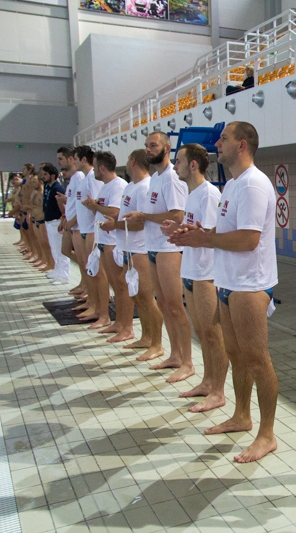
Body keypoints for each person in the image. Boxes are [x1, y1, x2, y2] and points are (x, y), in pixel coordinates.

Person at [170, 122, 279, 462]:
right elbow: (227, 231)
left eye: (224, 138)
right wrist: (201, 232)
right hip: (229, 282)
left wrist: (206, 239)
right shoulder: (232, 185)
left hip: (251, 284)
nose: (218, 143)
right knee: (236, 354)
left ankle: (267, 434)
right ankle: (242, 416)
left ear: (242, 145)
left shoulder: (253, 185)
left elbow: (249, 239)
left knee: (259, 361)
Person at [161, 143, 226, 412]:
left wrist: (184, 234)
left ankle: (219, 390)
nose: (174, 166)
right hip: (190, 269)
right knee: (201, 332)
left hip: (206, 272)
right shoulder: (192, 194)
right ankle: (207, 381)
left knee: (213, 334)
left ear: (194, 165)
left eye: (179, 161)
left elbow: (211, 234)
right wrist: (178, 229)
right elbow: (195, 229)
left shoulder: (209, 194)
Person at [124, 132, 192, 383]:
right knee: (163, 304)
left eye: (153, 145)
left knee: (175, 306)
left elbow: (177, 215)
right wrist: (141, 217)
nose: (149, 150)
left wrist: (143, 216)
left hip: (168, 248)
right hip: (153, 246)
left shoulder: (172, 178)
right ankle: (174, 354)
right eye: (147, 146)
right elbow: (155, 212)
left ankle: (187, 361)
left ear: (167, 147)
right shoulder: (155, 178)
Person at [105, 150, 164, 359]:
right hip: (127, 247)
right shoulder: (130, 186)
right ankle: (146, 336)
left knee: (147, 298)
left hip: (140, 248)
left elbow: (139, 223)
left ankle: (157, 343)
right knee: (137, 296)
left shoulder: (145, 187)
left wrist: (114, 225)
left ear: (132, 161)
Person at [83, 151, 132, 341]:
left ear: (102, 168)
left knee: (121, 285)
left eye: (94, 167)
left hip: (113, 241)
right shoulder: (105, 186)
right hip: (104, 240)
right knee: (115, 285)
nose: (93, 170)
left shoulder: (118, 186)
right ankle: (119, 322)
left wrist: (94, 206)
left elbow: (114, 212)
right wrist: (94, 205)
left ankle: (127, 326)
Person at [74, 146, 106, 323]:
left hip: (93, 230)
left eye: (76, 158)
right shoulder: (86, 178)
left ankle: (101, 311)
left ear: (84, 159)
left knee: (97, 273)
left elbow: (97, 206)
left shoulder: (93, 178)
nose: (74, 162)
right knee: (91, 271)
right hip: (86, 229)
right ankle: (93, 303)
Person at [57, 146, 88, 298]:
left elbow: (83, 203)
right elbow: (73, 202)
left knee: (85, 261)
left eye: (60, 159)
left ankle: (88, 285)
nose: (59, 162)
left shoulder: (81, 177)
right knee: (66, 250)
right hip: (72, 223)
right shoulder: (74, 179)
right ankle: (85, 282)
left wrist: (73, 219)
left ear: (71, 159)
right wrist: (65, 217)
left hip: (79, 225)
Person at [38, 162, 69, 284]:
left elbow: (62, 206)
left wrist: (63, 219)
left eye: (45, 174)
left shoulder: (57, 188)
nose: (43, 176)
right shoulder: (48, 187)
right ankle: (58, 270)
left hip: (57, 221)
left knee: (60, 250)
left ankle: (64, 276)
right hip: (49, 221)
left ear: (52, 175)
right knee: (54, 249)